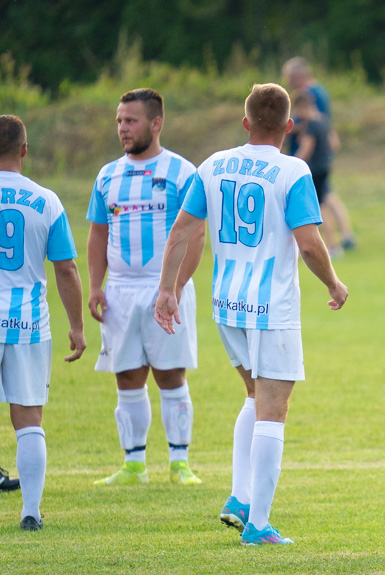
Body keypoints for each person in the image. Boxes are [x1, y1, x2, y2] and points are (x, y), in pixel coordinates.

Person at [154, 83, 348, 546]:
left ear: (245, 123)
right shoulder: (291, 169)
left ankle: (240, 498)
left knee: (254, 396)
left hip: (227, 305)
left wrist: (167, 290)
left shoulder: (213, 165)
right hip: (271, 309)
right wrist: (334, 283)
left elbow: (181, 229)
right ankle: (258, 525)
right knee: (274, 410)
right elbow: (308, 242)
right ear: (288, 125)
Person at [87, 88, 205, 486]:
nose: (122, 127)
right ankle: (133, 464)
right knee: (127, 376)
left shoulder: (182, 172)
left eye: (131, 120)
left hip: (164, 290)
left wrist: (173, 288)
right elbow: (98, 234)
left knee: (171, 375)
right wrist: (95, 286)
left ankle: (180, 463)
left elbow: (196, 235)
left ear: (156, 123)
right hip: (120, 290)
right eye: (119, 120)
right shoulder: (107, 175)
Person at [0, 115, 86, 530]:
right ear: (24, 151)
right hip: (28, 323)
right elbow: (66, 269)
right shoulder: (46, 200)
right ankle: (30, 511)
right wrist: (78, 326)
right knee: (29, 419)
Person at [282, 57, 356, 251]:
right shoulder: (319, 92)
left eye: (290, 78)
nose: (288, 82)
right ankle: (346, 235)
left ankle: (333, 242)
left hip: (312, 160)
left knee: (320, 202)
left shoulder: (309, 94)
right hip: (320, 159)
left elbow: (311, 129)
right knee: (327, 197)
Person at [291, 91, 339, 256]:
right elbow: (334, 144)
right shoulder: (323, 121)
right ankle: (333, 245)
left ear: (302, 106)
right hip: (324, 167)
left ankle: (332, 246)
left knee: (318, 210)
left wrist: (290, 164)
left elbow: (306, 148)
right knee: (323, 205)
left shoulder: (311, 124)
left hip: (314, 171)